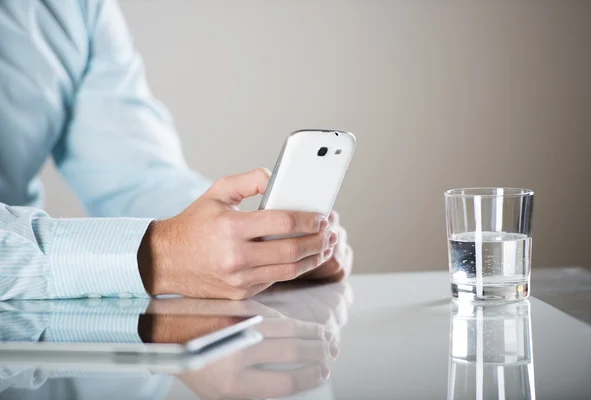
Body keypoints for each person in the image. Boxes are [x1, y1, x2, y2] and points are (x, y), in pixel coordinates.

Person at [0, 0, 352, 300]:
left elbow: (135, 179)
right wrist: (157, 256)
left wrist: (249, 245)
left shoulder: (77, 8)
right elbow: (165, 247)